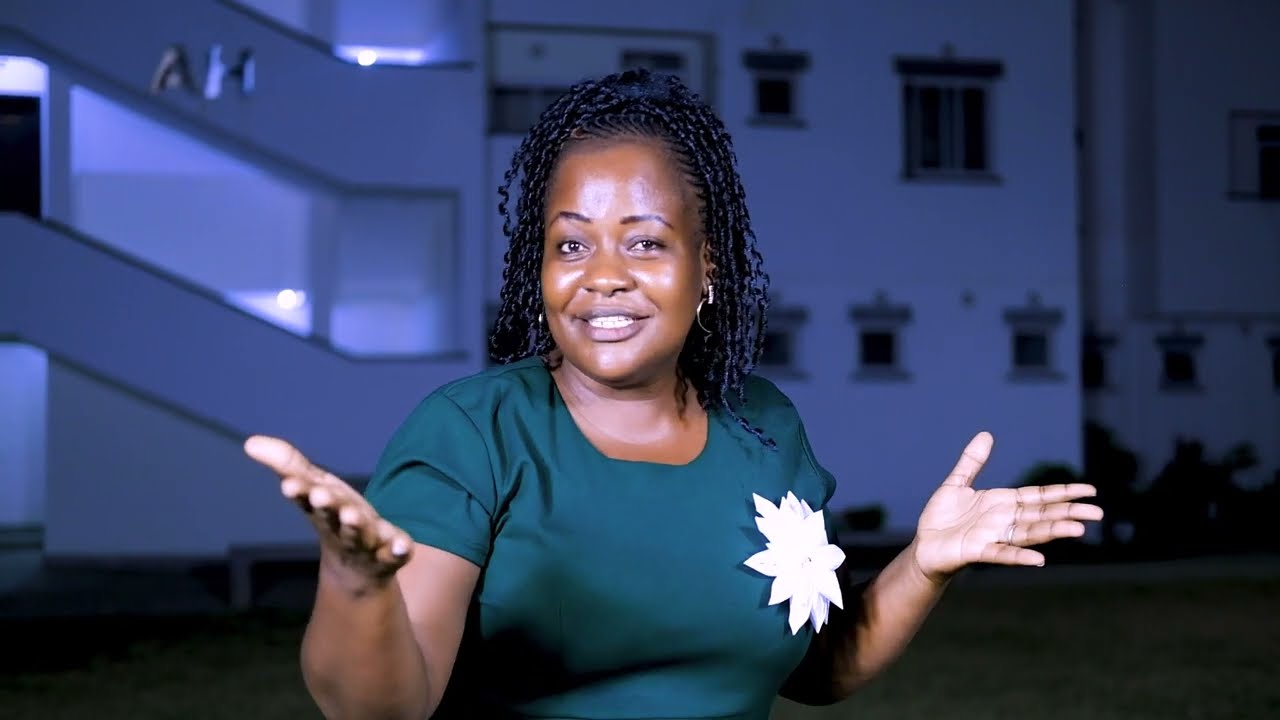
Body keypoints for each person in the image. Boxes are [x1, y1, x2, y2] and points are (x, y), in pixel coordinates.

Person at [244, 68, 1103, 720]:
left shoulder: (764, 429)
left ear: (708, 273)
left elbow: (816, 667)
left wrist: (924, 563)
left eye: (646, 243)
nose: (603, 279)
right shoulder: (476, 433)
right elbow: (387, 708)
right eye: (571, 247)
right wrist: (358, 586)